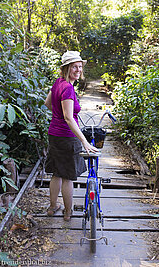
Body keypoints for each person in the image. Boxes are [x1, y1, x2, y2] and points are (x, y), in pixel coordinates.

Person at [44, 50, 98, 221]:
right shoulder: (67, 88)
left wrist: (58, 116)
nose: (78, 70)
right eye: (74, 67)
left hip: (54, 134)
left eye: (80, 67)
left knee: (57, 173)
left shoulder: (58, 83)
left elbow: (48, 103)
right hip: (67, 137)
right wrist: (84, 141)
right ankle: (68, 212)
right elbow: (68, 118)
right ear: (66, 68)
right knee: (67, 176)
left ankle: (53, 208)